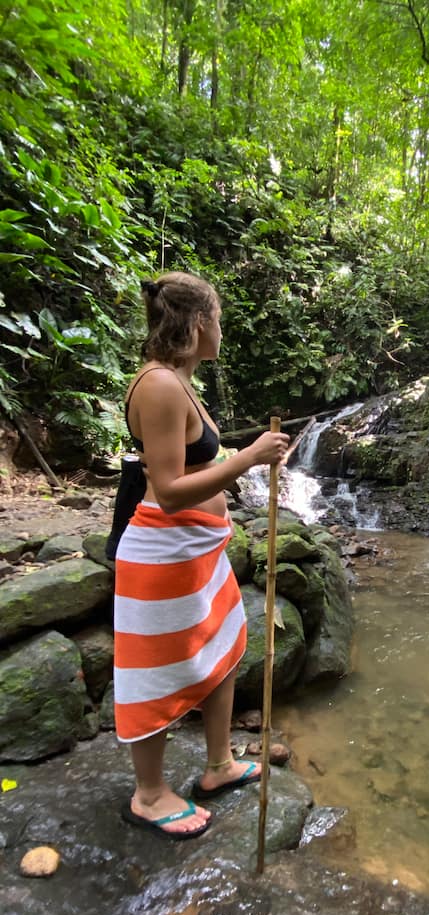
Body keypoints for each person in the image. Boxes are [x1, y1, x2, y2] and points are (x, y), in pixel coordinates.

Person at [113, 271, 289, 839]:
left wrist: (246, 456)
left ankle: (219, 764)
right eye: (218, 319)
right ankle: (149, 795)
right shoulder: (160, 386)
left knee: (223, 646)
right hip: (164, 553)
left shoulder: (179, 382)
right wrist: (249, 459)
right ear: (196, 323)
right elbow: (167, 490)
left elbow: (195, 463)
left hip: (197, 550)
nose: (222, 330)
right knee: (155, 670)